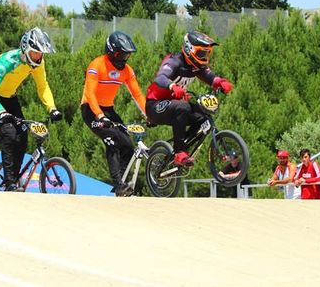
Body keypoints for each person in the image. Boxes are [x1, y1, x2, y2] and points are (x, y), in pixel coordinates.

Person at [0, 27, 63, 191]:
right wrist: (1, 111)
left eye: (41, 54)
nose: (39, 57)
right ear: (26, 49)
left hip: (10, 98)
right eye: (35, 53)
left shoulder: (38, 63)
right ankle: (10, 182)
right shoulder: (8, 62)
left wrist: (52, 108)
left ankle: (14, 177)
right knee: (9, 134)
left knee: (23, 134)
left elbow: (43, 86)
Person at [145, 31, 233, 166]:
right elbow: (160, 77)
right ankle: (179, 152)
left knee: (204, 116)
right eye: (201, 53)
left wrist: (220, 82)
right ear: (189, 49)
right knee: (183, 106)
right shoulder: (174, 61)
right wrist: (172, 86)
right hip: (155, 106)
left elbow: (210, 77)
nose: (204, 57)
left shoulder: (195, 66)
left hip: (175, 107)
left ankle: (181, 147)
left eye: (207, 53)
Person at [80, 31, 146, 197]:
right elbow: (90, 94)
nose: (124, 59)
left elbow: (137, 95)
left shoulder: (127, 70)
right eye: (121, 54)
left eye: (127, 55)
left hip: (109, 109)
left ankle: (120, 184)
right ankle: (118, 185)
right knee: (112, 141)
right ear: (111, 51)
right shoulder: (96, 65)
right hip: (91, 110)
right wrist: (100, 116)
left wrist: (148, 114)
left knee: (128, 146)